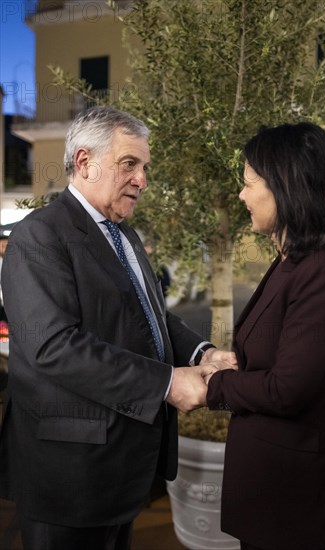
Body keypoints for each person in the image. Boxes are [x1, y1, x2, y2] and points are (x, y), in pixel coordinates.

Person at [0, 106, 237, 550]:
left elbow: (150, 315)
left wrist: (200, 353)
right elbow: (54, 347)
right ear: (85, 162)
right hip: (69, 476)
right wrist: (167, 383)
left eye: (144, 167)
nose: (142, 179)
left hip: (118, 469)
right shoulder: (39, 237)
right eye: (130, 164)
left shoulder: (122, 234)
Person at [205, 122, 325, 550]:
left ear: (285, 186)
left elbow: (287, 389)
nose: (241, 195)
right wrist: (230, 359)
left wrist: (211, 387)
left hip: (296, 503)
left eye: (249, 183)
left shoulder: (323, 273)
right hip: (271, 492)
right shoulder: (292, 260)